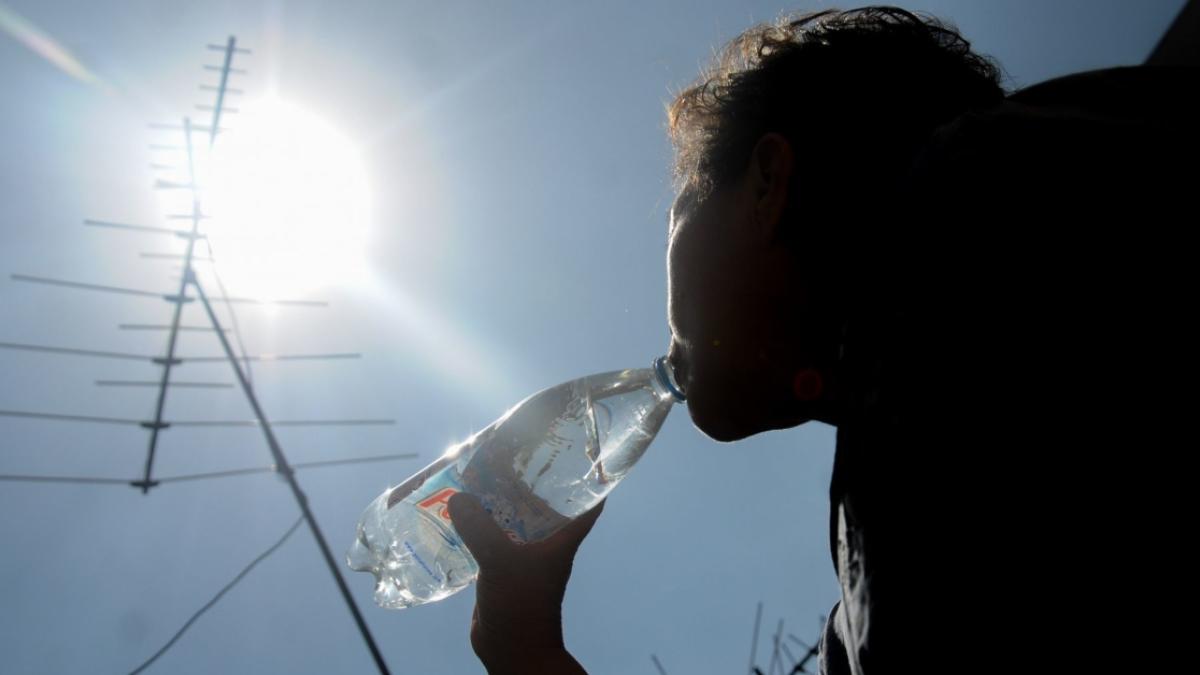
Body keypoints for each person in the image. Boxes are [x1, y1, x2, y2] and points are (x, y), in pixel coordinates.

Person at [448, 6, 1199, 673]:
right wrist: (523, 648)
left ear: (768, 181)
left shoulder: (1005, 191)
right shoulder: (858, 590)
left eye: (680, 211)